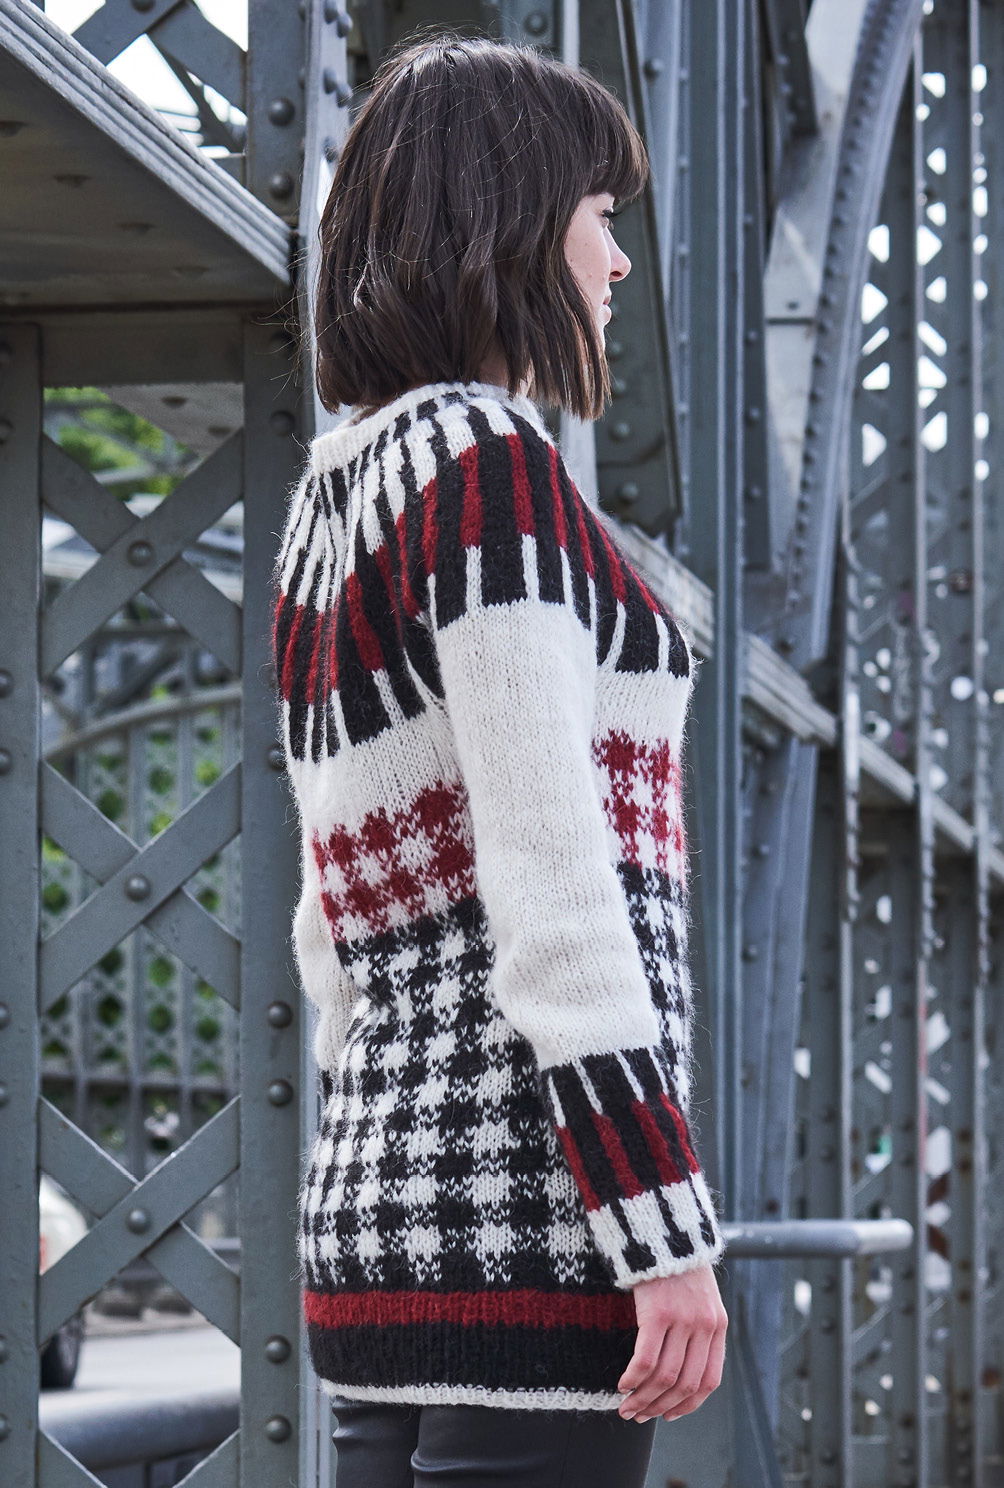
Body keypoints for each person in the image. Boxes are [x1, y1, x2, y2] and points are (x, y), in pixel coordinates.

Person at [273, 28, 729, 1488]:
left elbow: (329, 926)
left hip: (381, 1222)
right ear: (515, 225)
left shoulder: (334, 502)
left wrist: (379, 1177)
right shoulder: (490, 469)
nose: (619, 260)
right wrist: (661, 1232)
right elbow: (556, 889)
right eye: (599, 215)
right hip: (537, 1220)